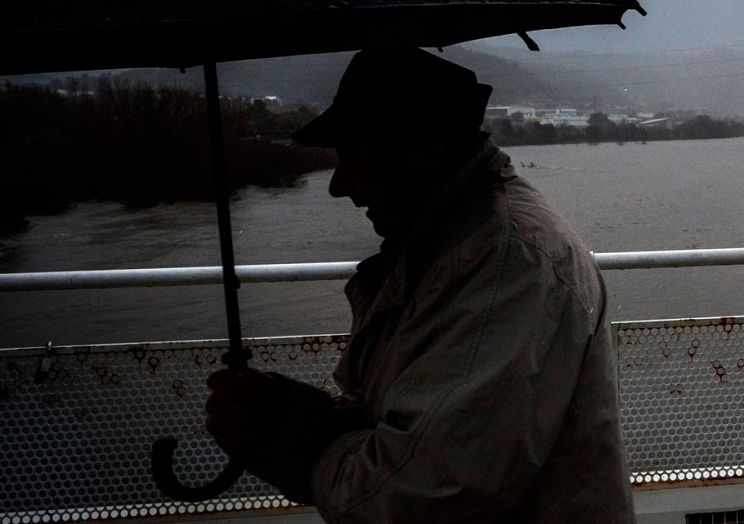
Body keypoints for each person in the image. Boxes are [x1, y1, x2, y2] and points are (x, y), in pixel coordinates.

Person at [204, 47, 634, 522]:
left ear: (424, 149)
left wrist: (291, 440)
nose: (338, 184)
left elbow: (422, 492)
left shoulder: (504, 265)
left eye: (356, 155)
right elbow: (412, 423)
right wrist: (285, 413)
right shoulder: (450, 250)